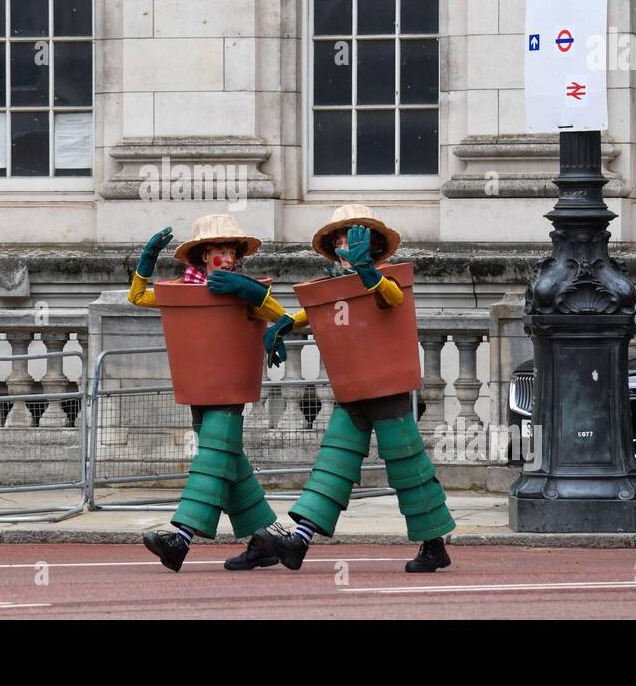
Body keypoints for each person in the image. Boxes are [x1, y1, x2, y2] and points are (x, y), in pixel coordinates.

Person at [253, 205, 456, 574]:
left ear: (372, 244)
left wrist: (366, 270)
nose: (346, 244)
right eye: (341, 238)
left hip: (389, 394)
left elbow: (392, 297)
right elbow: (315, 313)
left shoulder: (383, 280)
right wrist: (282, 324)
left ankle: (433, 545)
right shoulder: (332, 288)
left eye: (354, 237)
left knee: (410, 473)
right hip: (351, 394)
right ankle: (299, 539)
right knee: (331, 468)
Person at [126, 214, 288, 572]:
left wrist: (254, 292)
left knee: (212, 460)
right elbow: (137, 297)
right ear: (203, 256)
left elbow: (281, 316)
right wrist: (145, 264)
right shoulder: (181, 291)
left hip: (230, 389)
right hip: (197, 386)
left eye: (232, 251)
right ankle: (268, 538)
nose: (229, 259)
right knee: (227, 463)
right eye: (220, 251)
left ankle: (180, 539)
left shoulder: (243, 291)